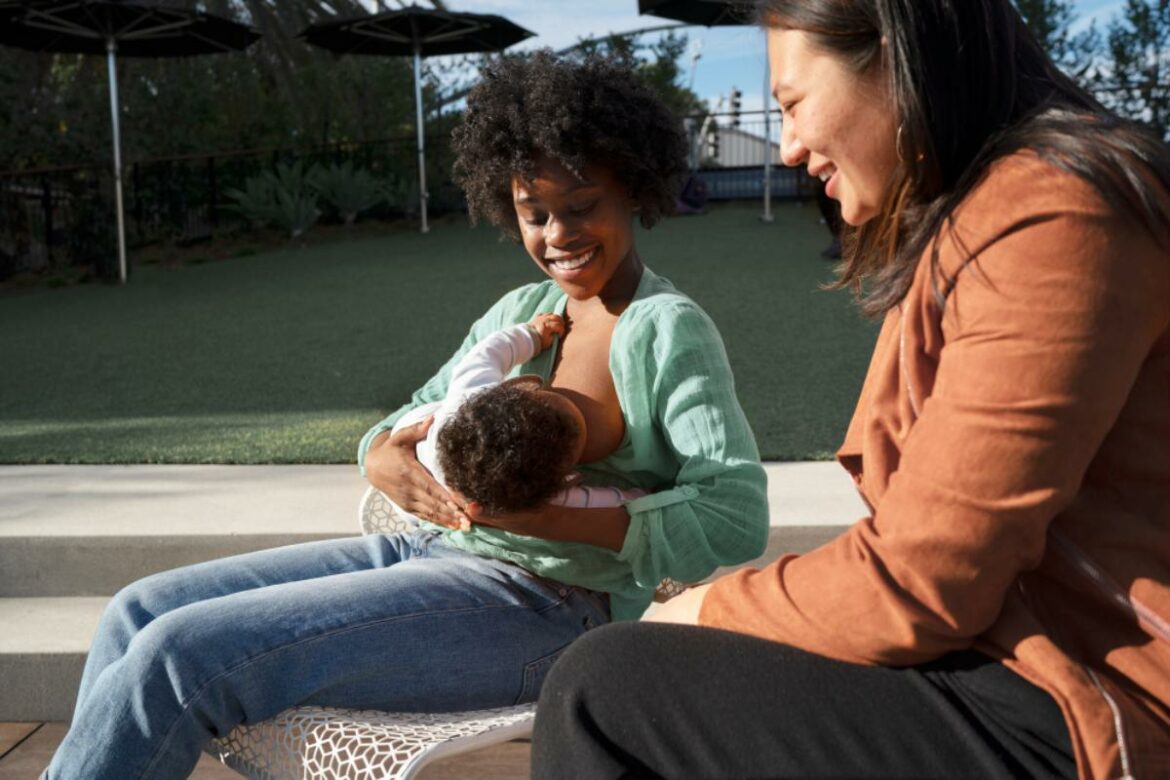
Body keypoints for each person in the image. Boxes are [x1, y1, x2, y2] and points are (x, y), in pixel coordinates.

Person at [43, 51, 769, 780]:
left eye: (581, 207)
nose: (558, 236)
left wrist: (536, 518)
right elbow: (419, 411)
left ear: (633, 192)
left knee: (179, 654)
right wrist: (378, 457)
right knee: (137, 610)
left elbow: (733, 515)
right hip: (425, 554)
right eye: (534, 214)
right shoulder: (523, 311)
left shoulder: (666, 327)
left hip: (546, 608)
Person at [531, 2, 1170, 778]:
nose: (791, 145)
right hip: (1013, 656)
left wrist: (704, 605)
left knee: (604, 689)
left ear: (897, 57)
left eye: (794, 103)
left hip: (1092, 703)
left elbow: (923, 583)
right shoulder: (986, 215)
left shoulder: (1055, 212)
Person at [388, 311, 645, 527]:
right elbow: (609, 502)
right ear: (561, 481)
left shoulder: (470, 391)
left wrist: (531, 335)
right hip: (420, 496)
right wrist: (645, 497)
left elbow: (489, 352)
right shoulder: (545, 496)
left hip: (414, 442)